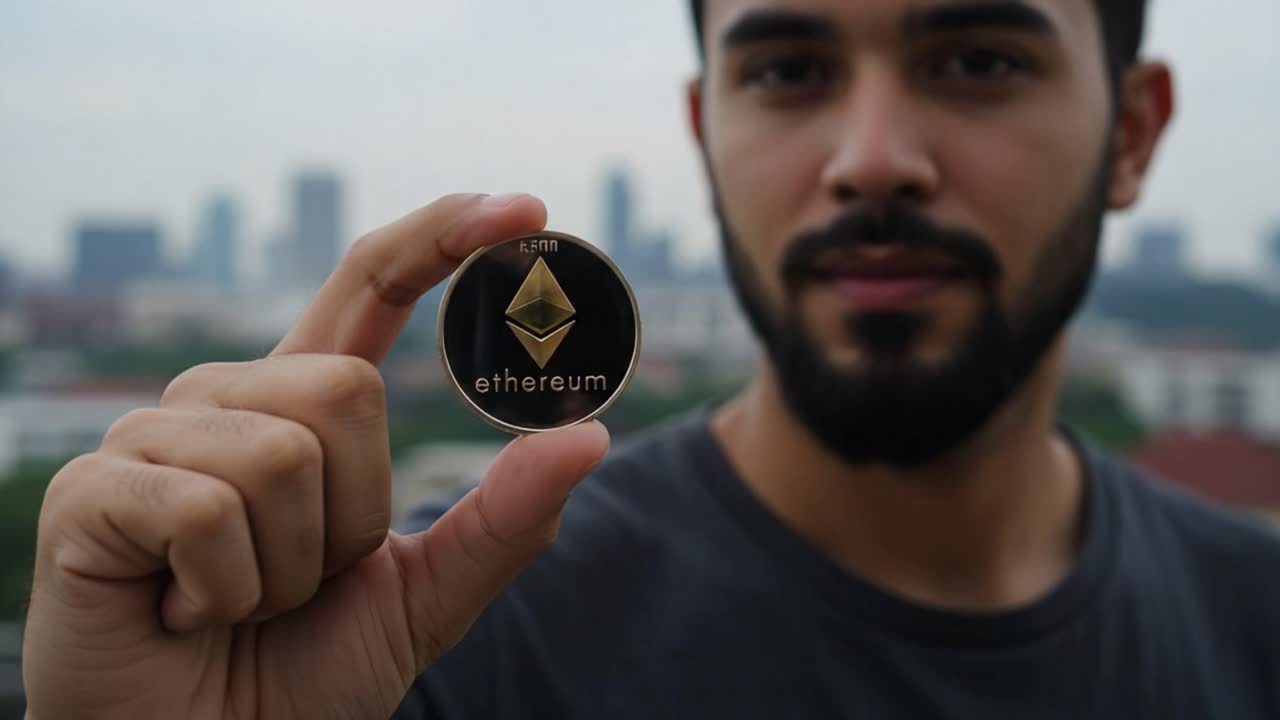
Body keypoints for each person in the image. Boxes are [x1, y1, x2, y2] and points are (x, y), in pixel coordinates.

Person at [21, 0, 1280, 717]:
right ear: (702, 132)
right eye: (789, 69)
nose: (873, 155)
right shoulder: (422, 642)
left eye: (978, 59)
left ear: (1130, 132)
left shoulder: (1254, 621)